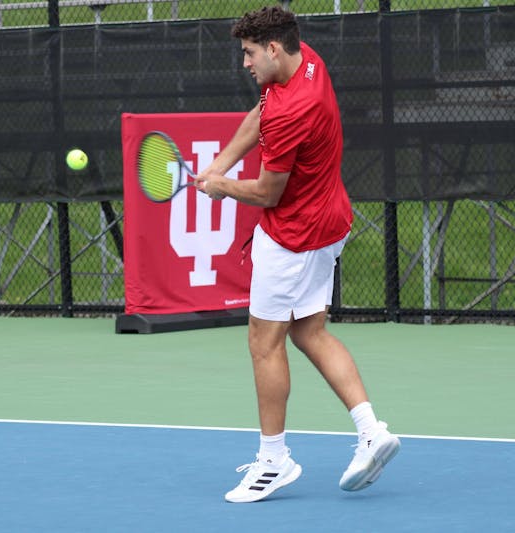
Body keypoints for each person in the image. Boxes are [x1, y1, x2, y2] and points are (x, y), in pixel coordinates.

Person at [194, 5, 400, 503]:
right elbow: (259, 114)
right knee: (309, 331)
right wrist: (219, 163)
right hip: (331, 221)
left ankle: (273, 462)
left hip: (294, 236)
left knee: (264, 343)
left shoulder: (291, 111)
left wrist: (221, 185)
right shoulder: (306, 59)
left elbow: (268, 193)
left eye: (249, 53)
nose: (245, 63)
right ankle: (372, 431)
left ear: (271, 48)